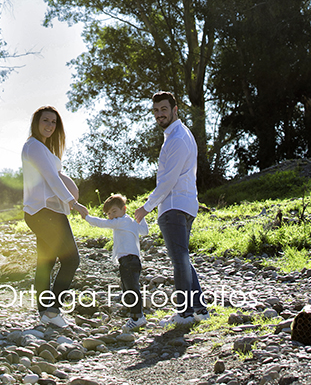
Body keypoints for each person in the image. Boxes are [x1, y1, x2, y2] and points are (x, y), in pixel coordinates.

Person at [134, 91, 208, 326]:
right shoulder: (180, 134)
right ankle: (199, 310)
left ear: (175, 110)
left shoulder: (177, 138)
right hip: (184, 204)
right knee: (183, 258)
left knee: (179, 260)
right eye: (156, 111)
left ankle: (185, 314)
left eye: (163, 109)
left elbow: (168, 181)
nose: (159, 114)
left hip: (175, 206)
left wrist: (146, 207)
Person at [22, 105, 83, 327]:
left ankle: (44, 314)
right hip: (45, 212)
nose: (49, 125)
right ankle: (53, 310)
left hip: (46, 211)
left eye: (53, 122)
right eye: (45, 120)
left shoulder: (42, 148)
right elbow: (52, 178)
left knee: (45, 263)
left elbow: (52, 177)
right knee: (71, 259)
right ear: (36, 123)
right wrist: (73, 202)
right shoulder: (34, 146)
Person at [77, 193, 149, 331]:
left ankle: (137, 316)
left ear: (124, 209)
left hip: (128, 260)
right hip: (132, 260)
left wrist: (86, 217)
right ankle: (134, 314)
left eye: (114, 211)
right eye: (109, 213)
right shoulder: (131, 222)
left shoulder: (121, 221)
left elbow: (101, 223)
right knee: (129, 288)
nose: (111, 216)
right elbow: (144, 231)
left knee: (131, 289)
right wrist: (142, 218)